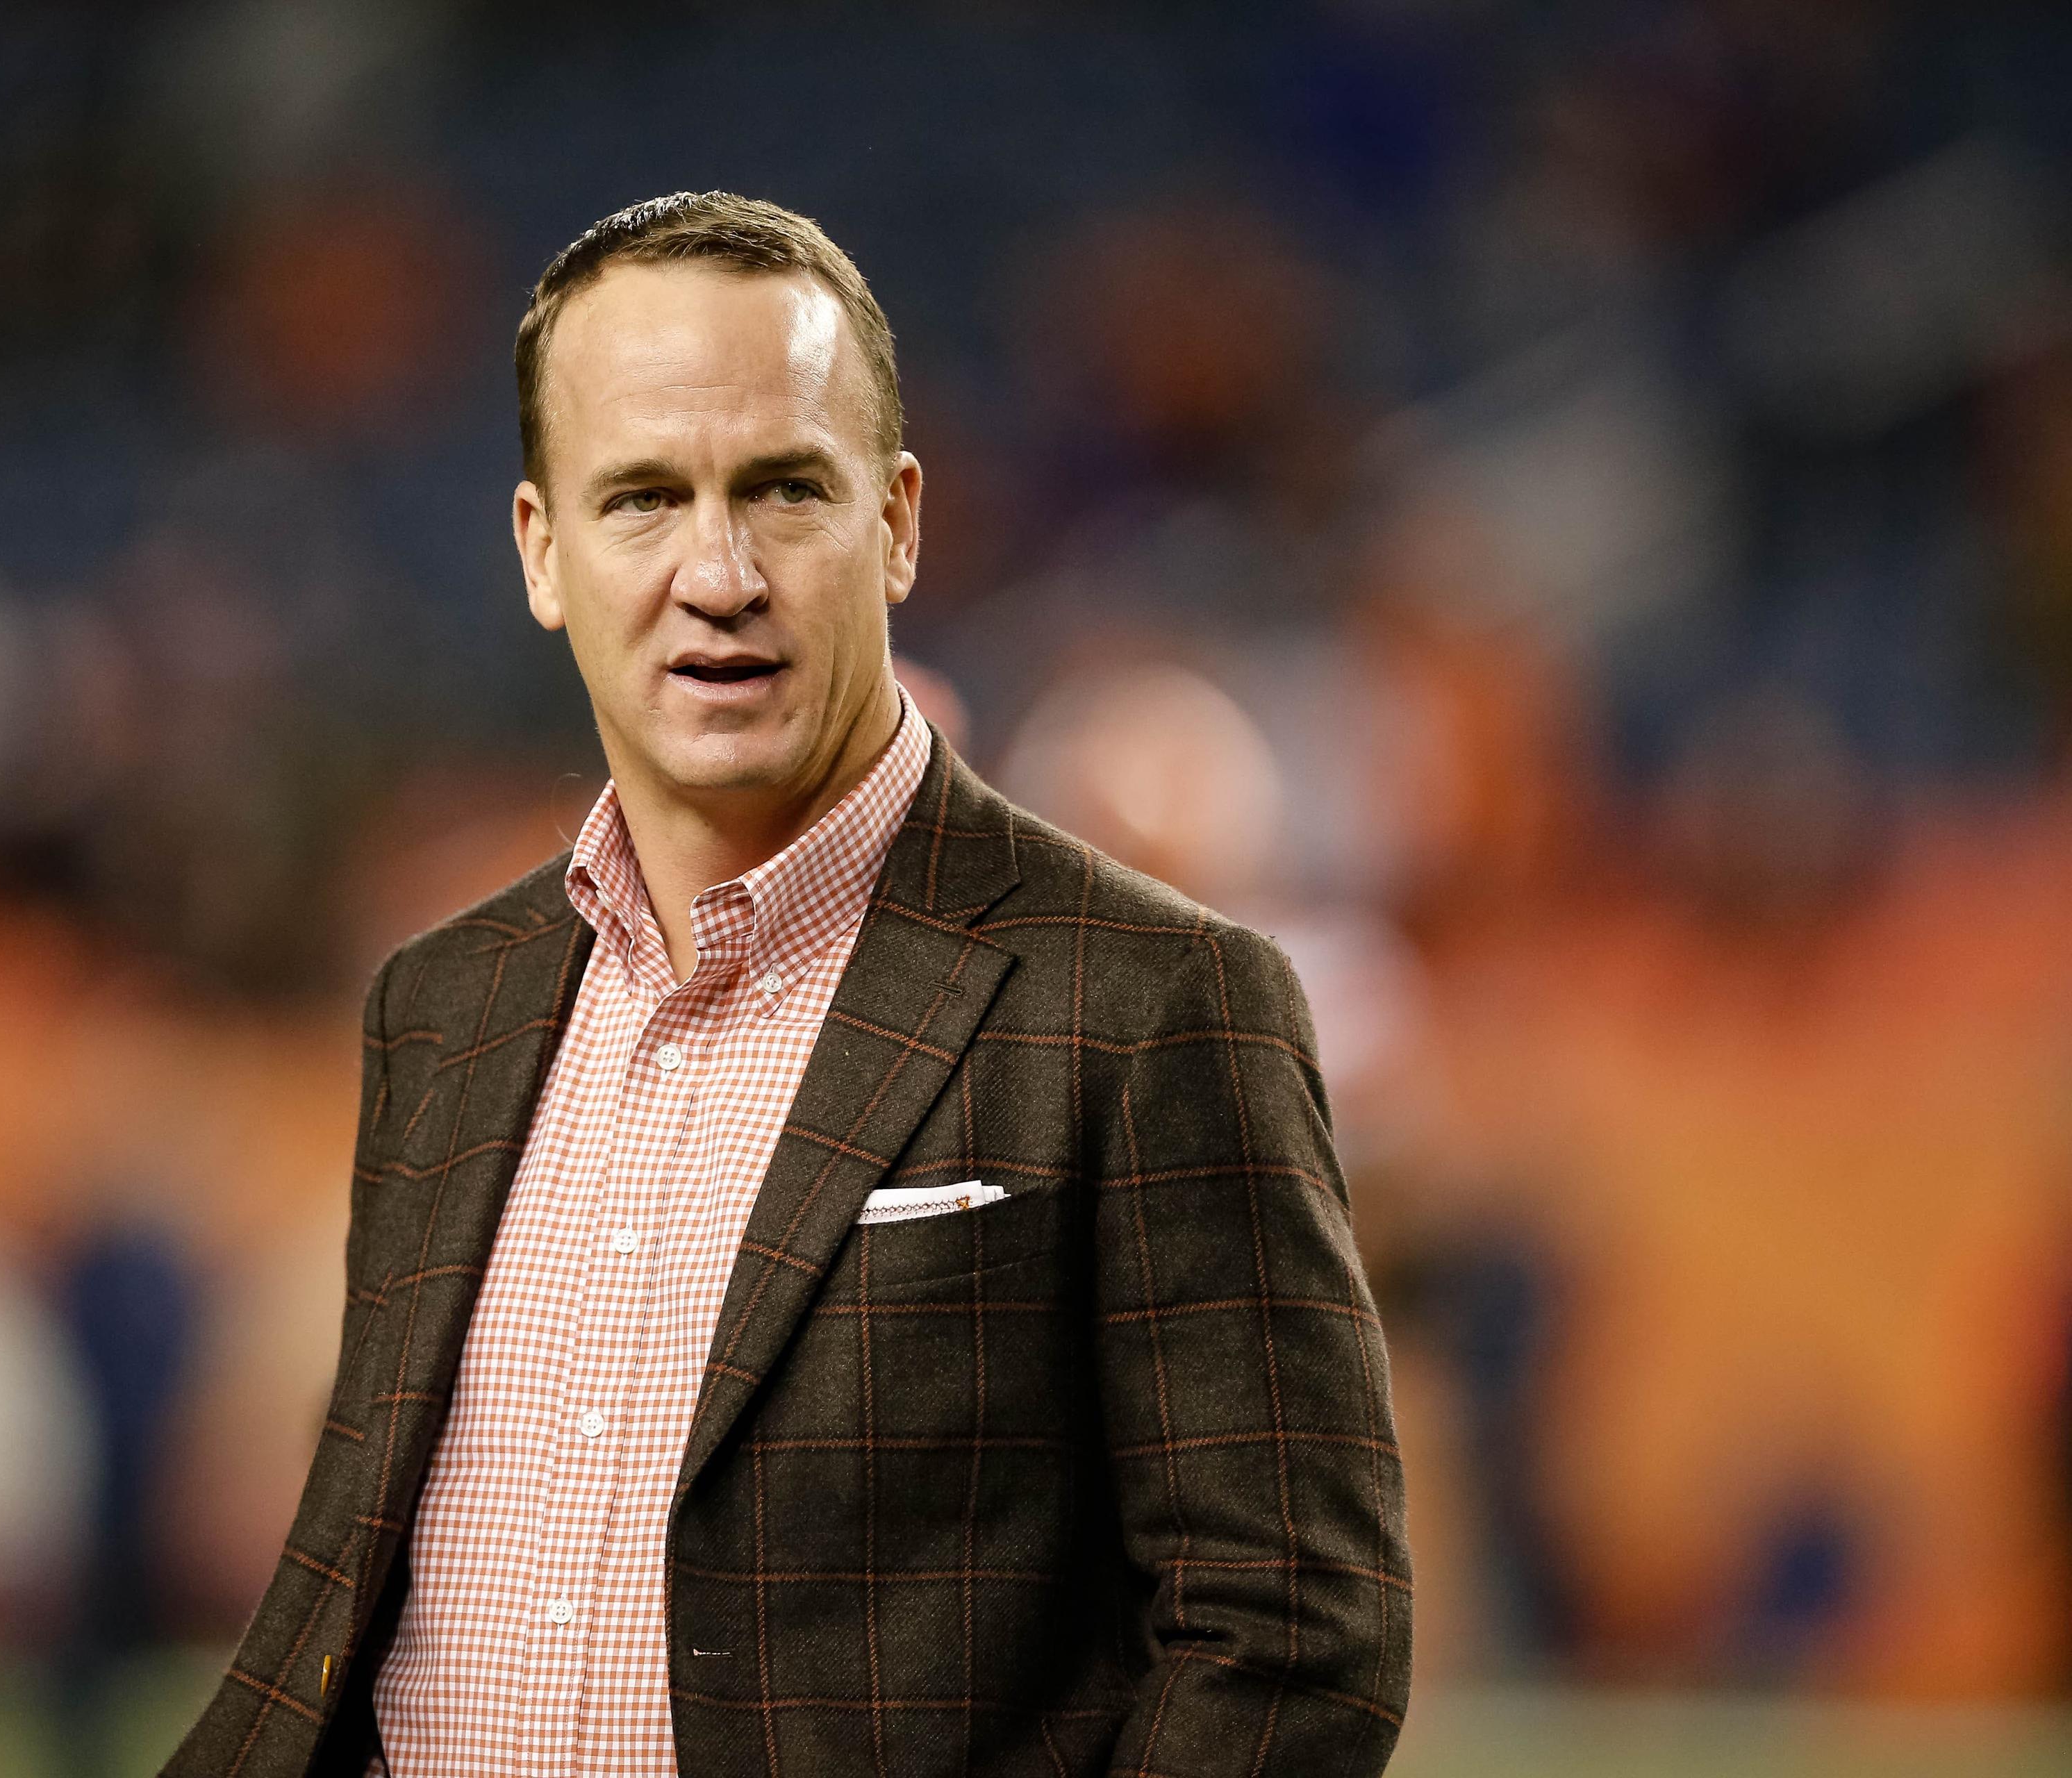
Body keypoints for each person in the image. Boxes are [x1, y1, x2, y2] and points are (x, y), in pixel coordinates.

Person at [163, 192, 1409, 1778]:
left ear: (896, 522)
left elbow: (1296, 1633)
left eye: (783, 490)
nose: (718, 571)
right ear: (544, 552)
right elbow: (357, 1581)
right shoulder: (440, 1007)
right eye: (641, 500)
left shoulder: (1159, 1001)